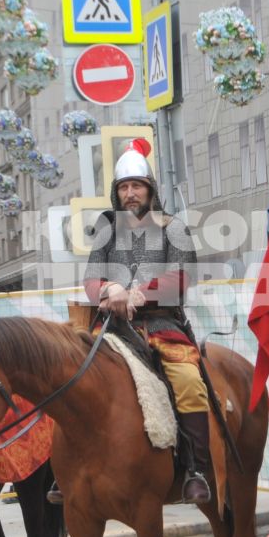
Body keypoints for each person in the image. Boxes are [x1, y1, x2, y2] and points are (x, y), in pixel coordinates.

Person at [83, 138, 213, 505]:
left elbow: (183, 276)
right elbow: (91, 280)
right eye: (123, 187)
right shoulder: (107, 228)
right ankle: (70, 468)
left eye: (136, 185)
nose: (130, 193)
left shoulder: (172, 228)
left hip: (161, 325)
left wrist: (140, 293)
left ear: (150, 189)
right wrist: (110, 288)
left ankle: (196, 470)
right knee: (74, 375)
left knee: (188, 381)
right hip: (112, 329)